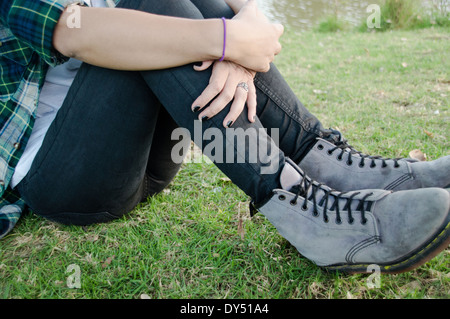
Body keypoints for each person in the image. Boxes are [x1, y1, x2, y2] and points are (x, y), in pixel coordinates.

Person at [0, 0, 448, 274]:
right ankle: (303, 209)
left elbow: (240, 13)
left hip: (142, 159)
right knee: (151, 9)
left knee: (187, 10)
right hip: (65, 177)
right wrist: (224, 40)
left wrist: (240, 33)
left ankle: (328, 162)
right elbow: (73, 32)